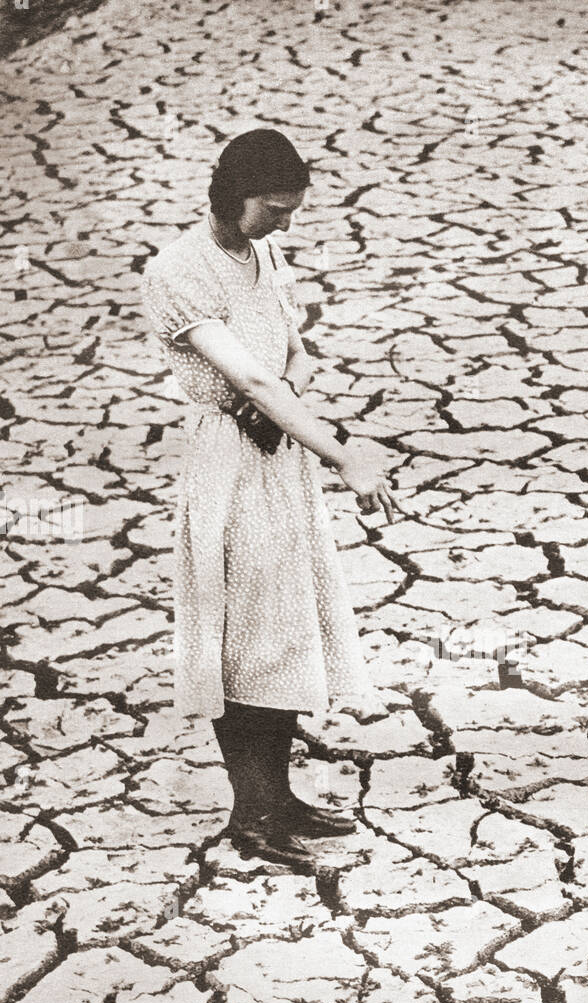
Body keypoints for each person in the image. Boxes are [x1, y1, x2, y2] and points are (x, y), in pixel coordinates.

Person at [140, 128, 400, 871]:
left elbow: (292, 352)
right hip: (229, 462)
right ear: (231, 195)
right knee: (244, 641)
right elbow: (245, 380)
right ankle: (250, 812)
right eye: (274, 208)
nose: (285, 223)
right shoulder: (177, 270)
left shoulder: (264, 253)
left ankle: (278, 797)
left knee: (285, 630)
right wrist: (343, 452)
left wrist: (284, 395)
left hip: (278, 454)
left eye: (291, 210)